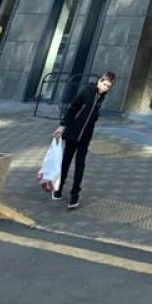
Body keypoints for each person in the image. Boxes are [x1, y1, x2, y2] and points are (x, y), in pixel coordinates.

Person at [53, 71, 115, 209]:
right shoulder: (86, 91)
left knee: (80, 163)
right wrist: (62, 126)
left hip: (86, 135)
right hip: (73, 132)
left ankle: (75, 195)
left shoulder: (101, 96)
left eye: (108, 87)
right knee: (66, 161)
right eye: (104, 84)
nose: (105, 88)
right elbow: (73, 109)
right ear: (99, 81)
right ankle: (58, 188)